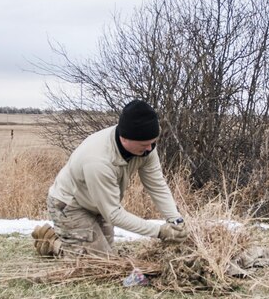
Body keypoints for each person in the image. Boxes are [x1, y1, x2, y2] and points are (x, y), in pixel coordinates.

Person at [33, 99, 187, 257]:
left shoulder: (146, 147)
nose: (149, 149)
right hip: (69, 204)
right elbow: (113, 214)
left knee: (110, 257)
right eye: (144, 145)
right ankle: (52, 243)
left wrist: (175, 221)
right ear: (124, 138)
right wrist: (160, 231)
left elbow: (157, 185)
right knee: (98, 264)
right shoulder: (98, 160)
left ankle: (74, 243)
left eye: (153, 143)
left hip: (97, 204)